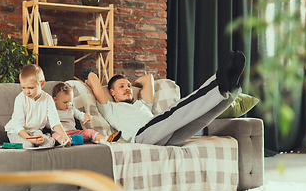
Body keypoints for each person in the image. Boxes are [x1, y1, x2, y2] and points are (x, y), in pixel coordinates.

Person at [86, 50, 246, 146]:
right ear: (111, 92)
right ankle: (218, 82)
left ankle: (229, 92)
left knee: (198, 119)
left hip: (162, 135)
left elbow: (148, 78)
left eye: (128, 86)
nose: (127, 89)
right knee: (175, 111)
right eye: (121, 86)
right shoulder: (110, 107)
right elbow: (92, 77)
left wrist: (134, 84)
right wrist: (106, 88)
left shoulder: (141, 104)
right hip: (142, 136)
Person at [5, 64, 71, 148]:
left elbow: (54, 121)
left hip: (35, 131)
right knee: (28, 145)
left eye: (31, 88)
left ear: (42, 84)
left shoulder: (48, 99)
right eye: (23, 88)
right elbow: (18, 126)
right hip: (17, 131)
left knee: (49, 144)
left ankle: (45, 138)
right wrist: (29, 139)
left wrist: (64, 136)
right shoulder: (20, 99)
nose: (26, 92)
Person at [51, 82, 122, 143]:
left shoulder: (71, 109)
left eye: (70, 101)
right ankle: (65, 142)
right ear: (55, 100)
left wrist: (85, 116)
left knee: (89, 132)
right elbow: (49, 124)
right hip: (61, 134)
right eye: (65, 102)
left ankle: (107, 138)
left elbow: (79, 115)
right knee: (54, 135)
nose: (68, 104)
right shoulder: (52, 111)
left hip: (74, 132)